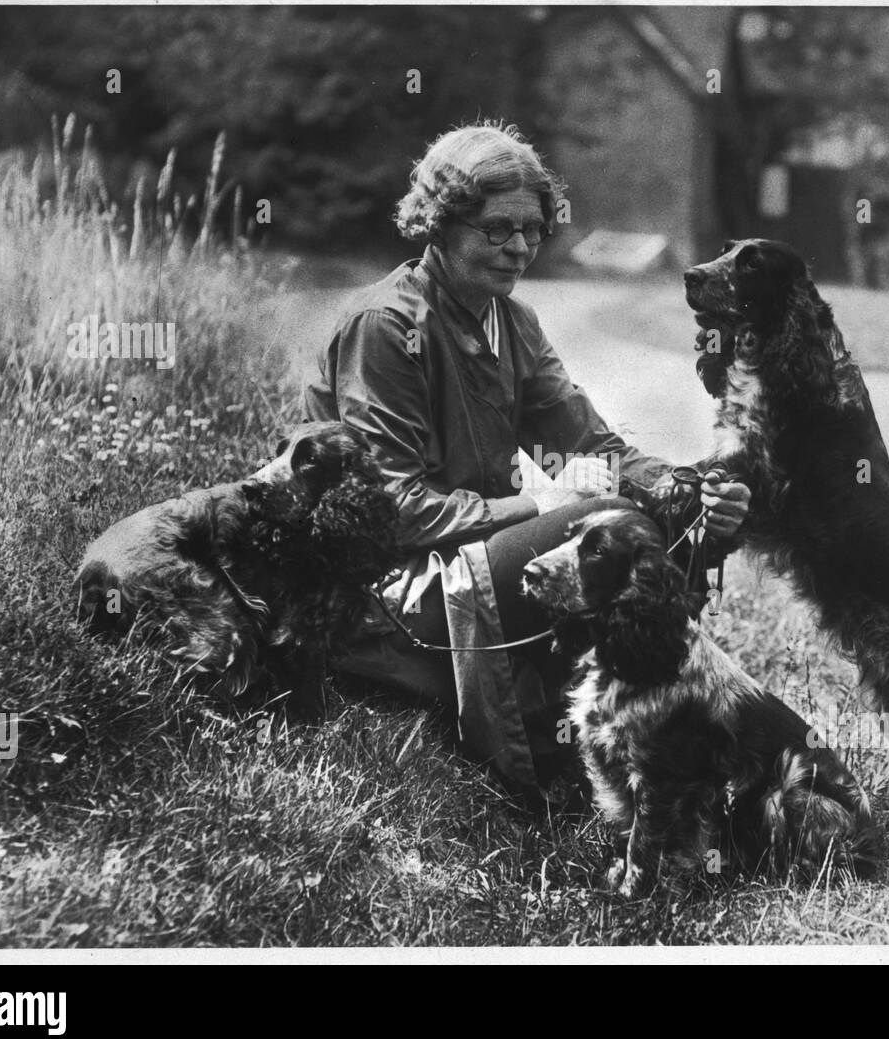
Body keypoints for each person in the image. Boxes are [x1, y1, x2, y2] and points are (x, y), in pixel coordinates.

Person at [305, 122, 750, 794]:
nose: (519, 249)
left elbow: (591, 447)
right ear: (439, 223)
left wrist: (690, 490)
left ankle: (660, 738)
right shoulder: (386, 327)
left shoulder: (511, 322)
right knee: (606, 524)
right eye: (496, 230)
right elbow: (388, 511)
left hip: (465, 551)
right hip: (384, 590)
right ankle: (572, 759)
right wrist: (540, 505)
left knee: (645, 515)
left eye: (532, 230)